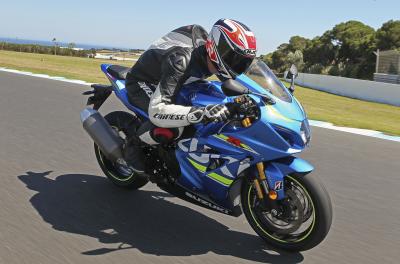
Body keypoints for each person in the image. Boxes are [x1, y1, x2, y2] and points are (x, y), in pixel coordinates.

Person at [124, 18, 257, 174]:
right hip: (144, 82)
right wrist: (203, 113)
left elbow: (234, 83)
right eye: (234, 58)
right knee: (175, 127)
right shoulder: (181, 61)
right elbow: (157, 110)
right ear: (217, 49)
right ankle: (133, 144)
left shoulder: (213, 57)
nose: (238, 66)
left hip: (177, 81)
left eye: (243, 62)